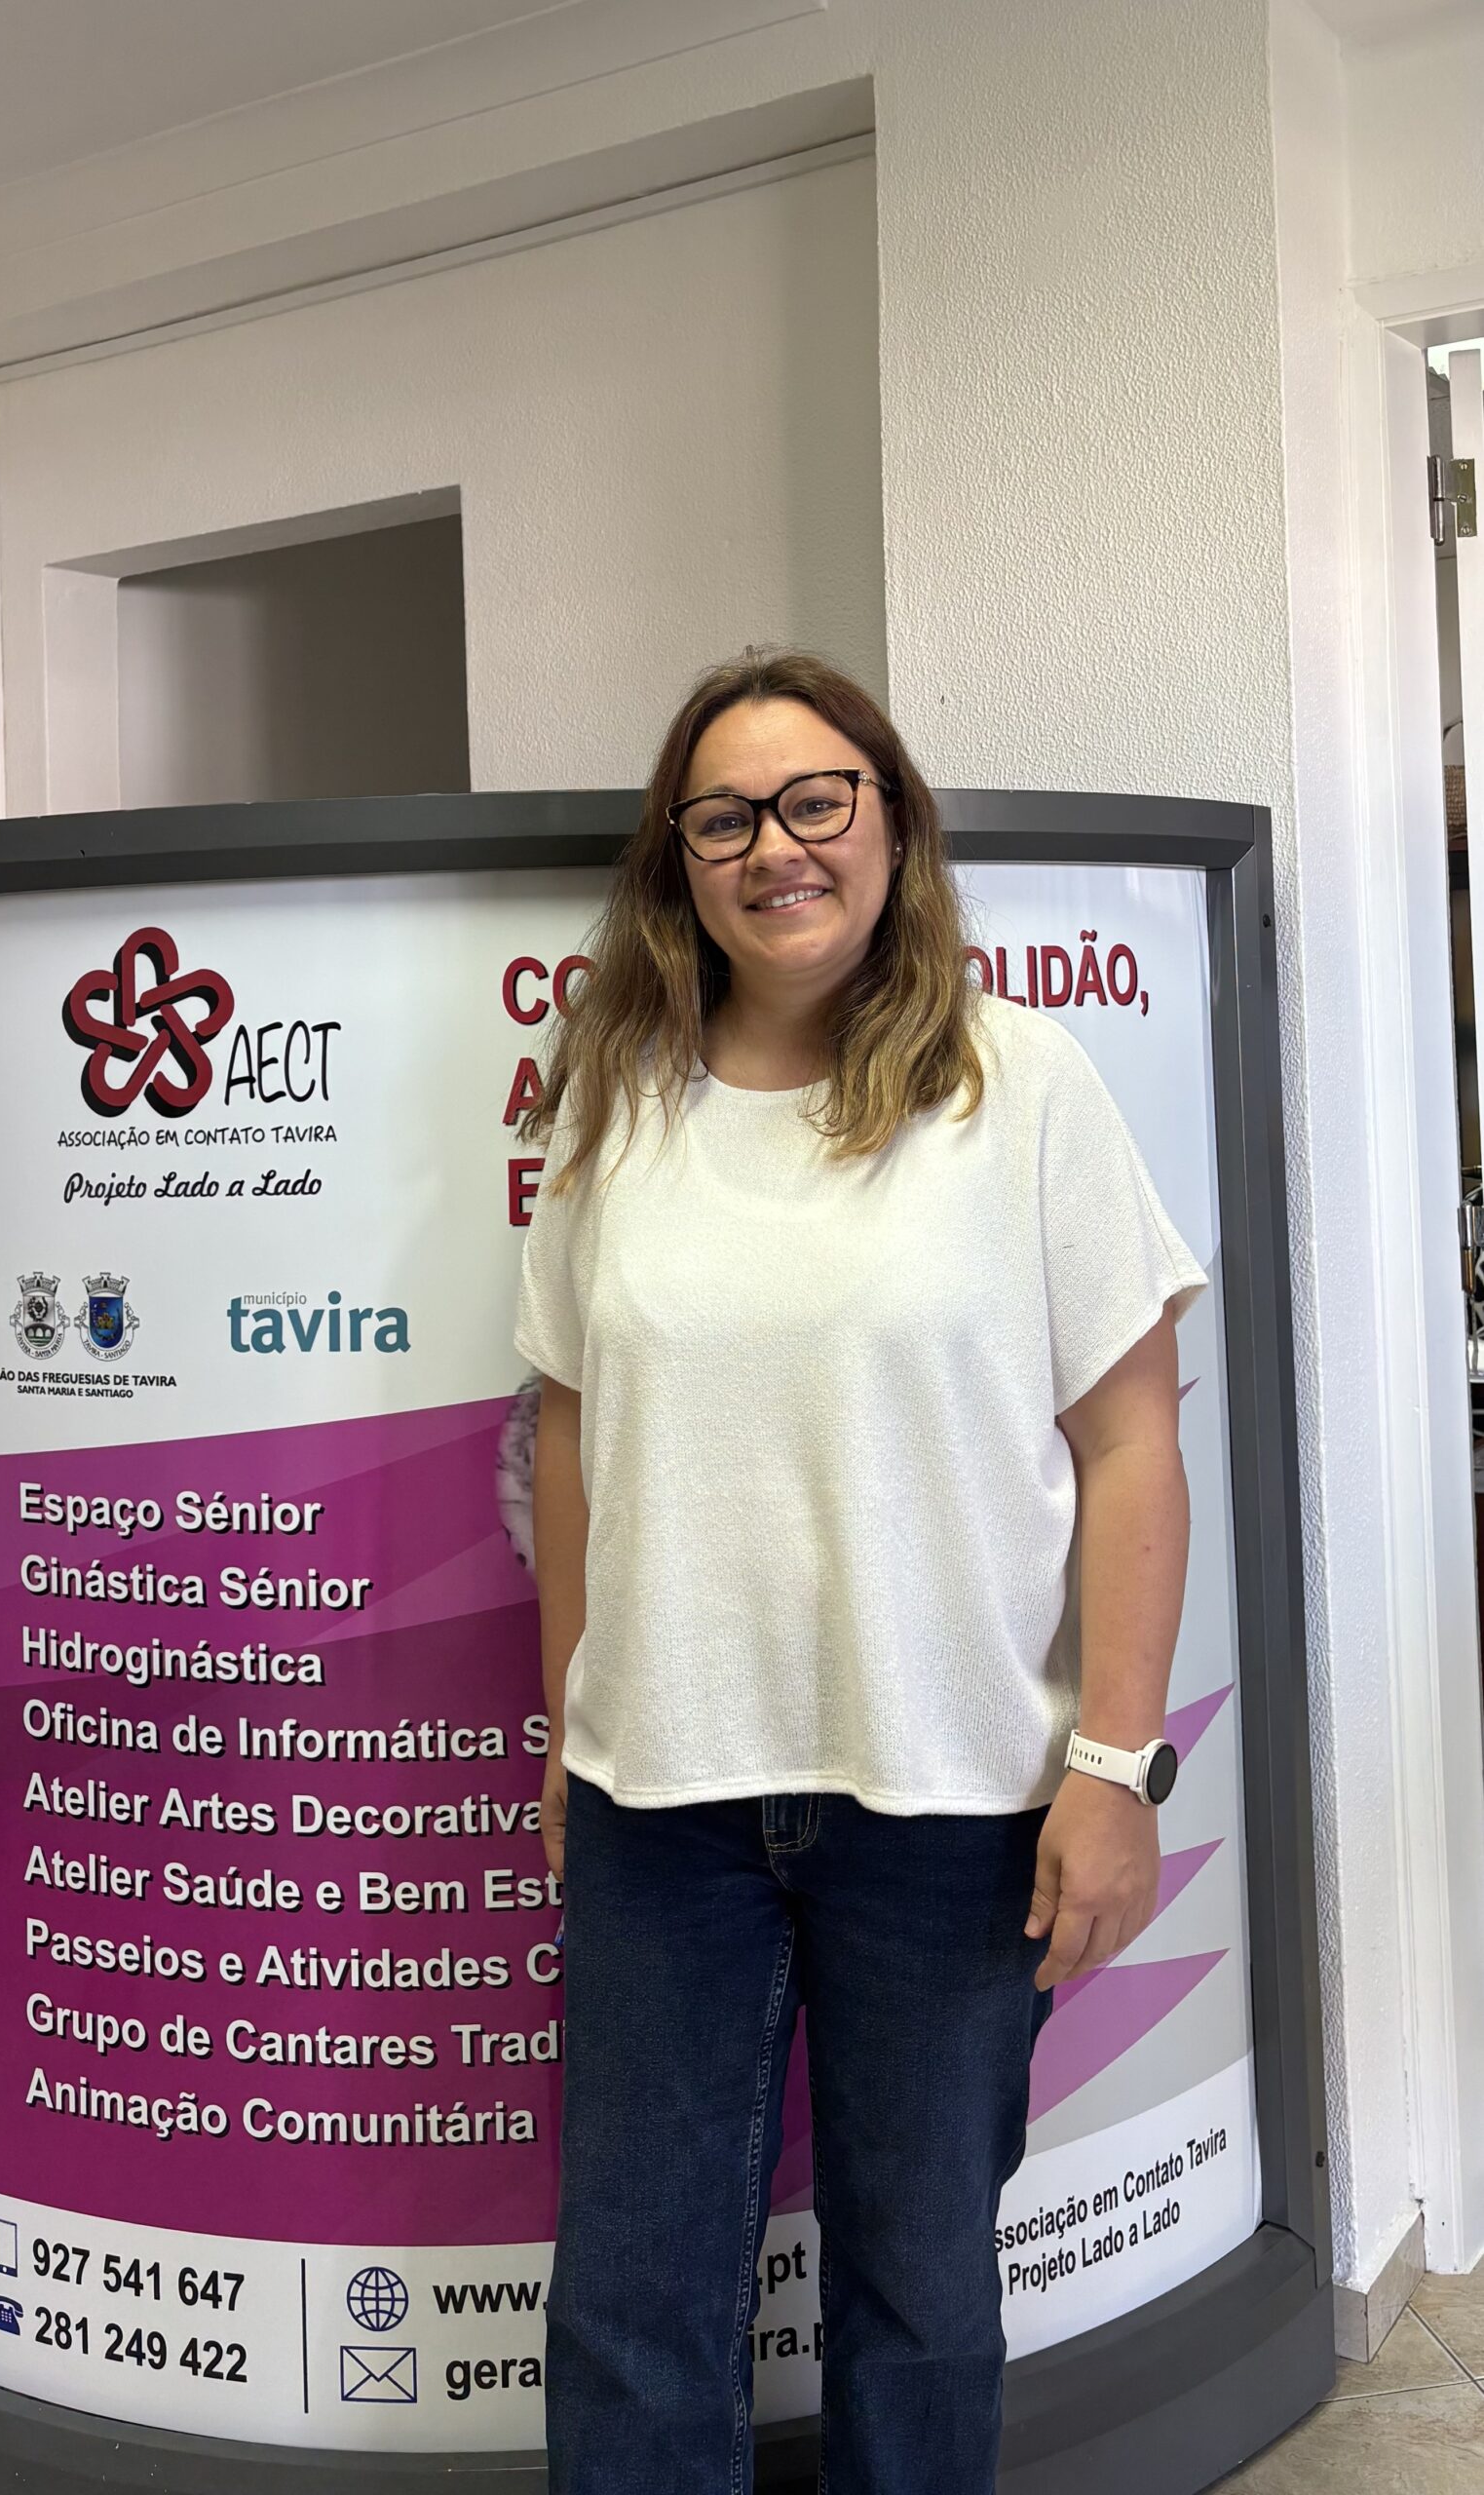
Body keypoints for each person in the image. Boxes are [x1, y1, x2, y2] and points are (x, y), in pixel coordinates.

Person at [513, 649, 1207, 2494]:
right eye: (724, 816)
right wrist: (568, 1727)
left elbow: (1132, 1446)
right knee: (634, 2307)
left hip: (953, 1807)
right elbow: (571, 1430)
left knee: (920, 2296)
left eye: (818, 799)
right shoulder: (618, 1101)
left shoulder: (1020, 1085)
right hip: (662, 1808)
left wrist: (1115, 1767)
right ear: (678, 861)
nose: (776, 847)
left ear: (892, 824)